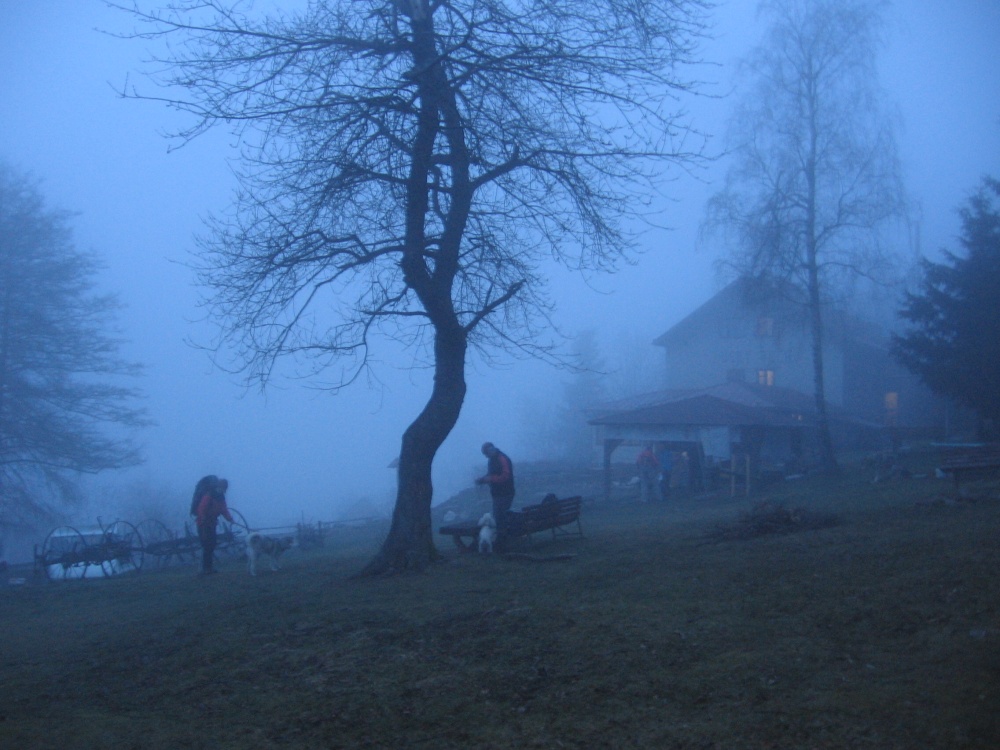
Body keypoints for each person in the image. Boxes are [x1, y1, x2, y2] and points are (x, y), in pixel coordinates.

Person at [193, 476, 234, 576]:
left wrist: (230, 519)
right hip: (203, 524)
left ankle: (208, 568)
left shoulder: (221, 497)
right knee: (207, 545)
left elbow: (223, 510)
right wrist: (202, 518)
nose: (223, 490)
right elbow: (201, 508)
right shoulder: (209, 495)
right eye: (223, 488)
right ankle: (204, 568)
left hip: (212, 524)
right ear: (219, 487)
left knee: (212, 545)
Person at [475, 442, 516, 541]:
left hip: (506, 493)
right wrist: (482, 480)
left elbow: (505, 476)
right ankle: (501, 539)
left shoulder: (502, 459)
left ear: (490, 450)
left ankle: (502, 541)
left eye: (486, 453)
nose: (486, 456)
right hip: (497, 494)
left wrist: (490, 479)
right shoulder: (492, 460)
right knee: (498, 517)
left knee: (500, 517)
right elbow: (490, 474)